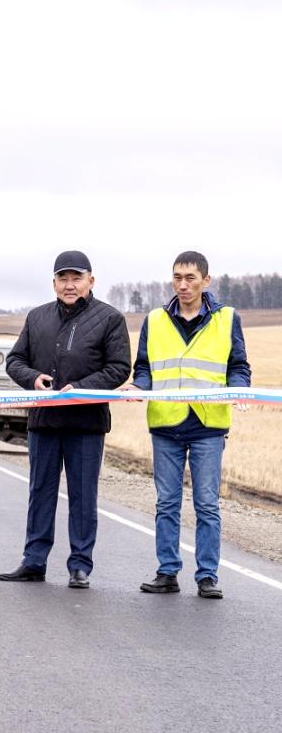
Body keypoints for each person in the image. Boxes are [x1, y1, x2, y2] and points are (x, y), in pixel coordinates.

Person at [121, 251, 250, 599]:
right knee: (167, 503)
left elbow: (239, 365)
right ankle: (167, 572)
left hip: (208, 424)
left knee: (207, 504)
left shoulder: (227, 318)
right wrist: (137, 386)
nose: (183, 284)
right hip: (166, 424)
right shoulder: (155, 319)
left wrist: (238, 389)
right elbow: (145, 368)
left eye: (190, 278)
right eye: (177, 277)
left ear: (206, 281)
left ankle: (207, 576)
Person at [0, 250, 130, 588]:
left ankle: (80, 565)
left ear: (91, 280)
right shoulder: (37, 317)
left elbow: (119, 368)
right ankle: (34, 561)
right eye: (63, 278)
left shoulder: (110, 318)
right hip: (43, 421)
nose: (69, 285)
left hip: (86, 423)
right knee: (40, 491)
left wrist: (80, 388)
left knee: (83, 495)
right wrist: (32, 378)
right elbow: (14, 360)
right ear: (54, 282)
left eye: (76, 278)